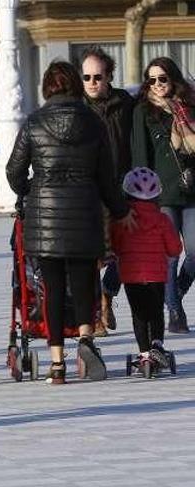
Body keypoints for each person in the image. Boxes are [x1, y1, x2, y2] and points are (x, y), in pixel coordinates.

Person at [7, 60, 135, 385]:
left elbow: (13, 170)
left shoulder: (35, 122)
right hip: (84, 215)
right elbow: (106, 178)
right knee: (82, 284)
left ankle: (57, 363)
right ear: (76, 86)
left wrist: (28, 192)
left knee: (50, 289)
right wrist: (121, 211)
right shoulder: (93, 123)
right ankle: (86, 340)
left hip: (44, 217)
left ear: (47, 88)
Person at [131, 57, 195, 334]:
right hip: (162, 194)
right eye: (152, 79)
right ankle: (174, 311)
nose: (157, 85)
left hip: (192, 190)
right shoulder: (143, 111)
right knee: (170, 254)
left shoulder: (189, 107)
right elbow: (141, 156)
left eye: (163, 79)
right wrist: (143, 199)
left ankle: (174, 295)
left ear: (173, 79)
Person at [80, 46, 135, 336]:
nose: (91, 82)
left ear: (109, 76)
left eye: (97, 77)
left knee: (127, 252)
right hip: (90, 192)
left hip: (124, 188)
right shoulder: (77, 106)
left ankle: (107, 294)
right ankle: (96, 316)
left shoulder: (125, 103)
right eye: (86, 77)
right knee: (94, 257)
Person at [111, 167, 182, 369]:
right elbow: (175, 249)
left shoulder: (122, 221)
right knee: (156, 311)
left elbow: (115, 245)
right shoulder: (162, 220)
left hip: (131, 275)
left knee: (139, 314)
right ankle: (157, 345)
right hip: (156, 275)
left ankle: (143, 354)